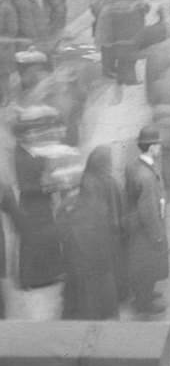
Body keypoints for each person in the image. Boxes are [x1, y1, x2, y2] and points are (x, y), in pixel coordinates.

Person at [59, 145, 124, 320]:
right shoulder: (107, 182)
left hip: (85, 249)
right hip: (100, 245)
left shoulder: (86, 179)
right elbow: (114, 214)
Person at [12, 108, 63, 289]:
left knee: (48, 238)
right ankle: (28, 280)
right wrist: (46, 188)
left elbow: (45, 168)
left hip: (42, 203)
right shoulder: (20, 155)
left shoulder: (34, 149)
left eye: (34, 132)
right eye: (29, 133)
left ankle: (49, 275)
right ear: (21, 136)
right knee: (31, 242)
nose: (33, 135)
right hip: (30, 204)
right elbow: (24, 186)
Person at [124, 125, 169, 315]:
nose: (160, 148)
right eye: (158, 145)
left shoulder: (136, 166)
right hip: (146, 231)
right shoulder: (147, 177)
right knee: (148, 266)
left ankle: (145, 295)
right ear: (151, 148)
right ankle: (144, 303)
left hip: (135, 227)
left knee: (143, 265)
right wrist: (157, 236)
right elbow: (148, 211)